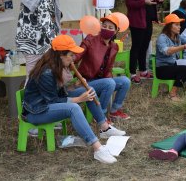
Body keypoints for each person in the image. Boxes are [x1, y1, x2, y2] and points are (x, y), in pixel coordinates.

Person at [22, 35, 126, 164]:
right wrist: (78, 99)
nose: (73, 58)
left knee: (88, 91)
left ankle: (104, 128)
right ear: (61, 54)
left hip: (47, 104)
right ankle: (98, 149)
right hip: (36, 112)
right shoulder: (47, 72)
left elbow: (58, 93)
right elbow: (52, 101)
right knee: (73, 108)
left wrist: (76, 86)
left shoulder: (56, 65)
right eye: (71, 55)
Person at [16, 0, 72, 82]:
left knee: (37, 75)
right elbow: (45, 23)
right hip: (36, 42)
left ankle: (39, 99)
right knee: (33, 77)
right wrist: (58, 45)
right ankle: (29, 100)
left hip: (28, 38)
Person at [74, 14, 131, 120]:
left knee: (125, 81)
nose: (106, 29)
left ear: (116, 31)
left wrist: (109, 80)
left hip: (102, 80)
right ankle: (101, 116)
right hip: (87, 81)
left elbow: (109, 68)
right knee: (109, 83)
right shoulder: (90, 39)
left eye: (110, 28)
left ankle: (114, 111)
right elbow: (77, 55)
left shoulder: (114, 46)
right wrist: (69, 56)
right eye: (104, 26)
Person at [125, 0, 164, 84]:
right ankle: (132, 73)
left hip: (147, 20)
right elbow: (130, 3)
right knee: (136, 46)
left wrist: (158, 0)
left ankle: (143, 70)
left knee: (145, 45)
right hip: (137, 20)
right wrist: (144, 2)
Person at [155, 14, 186, 101]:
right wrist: (183, 47)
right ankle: (172, 94)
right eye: (176, 25)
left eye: (179, 25)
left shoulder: (178, 36)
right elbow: (167, 51)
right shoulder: (162, 38)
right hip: (162, 69)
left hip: (174, 65)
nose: (179, 27)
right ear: (169, 26)